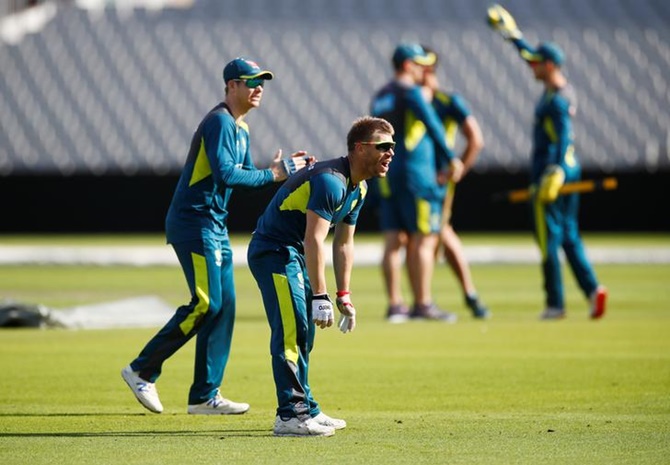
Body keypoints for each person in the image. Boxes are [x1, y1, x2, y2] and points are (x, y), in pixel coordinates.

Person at [121, 57, 313, 415]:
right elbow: (227, 175)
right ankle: (141, 369)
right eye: (250, 81)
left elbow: (241, 180)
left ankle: (204, 395)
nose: (259, 88)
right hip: (194, 224)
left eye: (262, 82)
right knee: (206, 302)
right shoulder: (220, 122)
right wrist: (273, 173)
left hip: (213, 225)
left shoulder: (240, 128)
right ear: (230, 86)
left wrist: (277, 173)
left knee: (224, 307)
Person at [247, 116, 395, 437]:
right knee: (292, 330)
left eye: (392, 147)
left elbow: (343, 243)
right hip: (273, 251)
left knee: (306, 334)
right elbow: (314, 239)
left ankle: (307, 407)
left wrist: (343, 295)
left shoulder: (359, 189)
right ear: (359, 148)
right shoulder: (331, 181)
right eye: (383, 146)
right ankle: (290, 414)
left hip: (294, 254)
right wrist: (320, 295)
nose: (390, 153)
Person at [487, 4, 607, 320]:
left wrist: (552, 172)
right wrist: (511, 34)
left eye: (539, 64)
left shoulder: (556, 98)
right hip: (570, 170)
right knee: (569, 234)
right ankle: (593, 290)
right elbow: (530, 55)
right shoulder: (560, 88)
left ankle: (555, 304)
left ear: (551, 65)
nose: (532, 68)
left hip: (550, 174)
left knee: (547, 241)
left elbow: (563, 138)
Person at [370, 43, 463, 323]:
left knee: (392, 240)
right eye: (420, 65)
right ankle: (422, 304)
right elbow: (433, 124)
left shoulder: (381, 96)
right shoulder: (410, 92)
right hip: (414, 175)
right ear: (409, 66)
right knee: (423, 239)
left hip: (383, 174)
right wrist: (451, 158)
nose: (424, 70)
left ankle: (395, 305)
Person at [421, 47, 490, 319]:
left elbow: (476, 139)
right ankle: (467, 295)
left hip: (435, 179)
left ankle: (436, 301)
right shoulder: (413, 99)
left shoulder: (446, 101)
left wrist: (457, 168)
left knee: (437, 234)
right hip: (418, 181)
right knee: (438, 234)